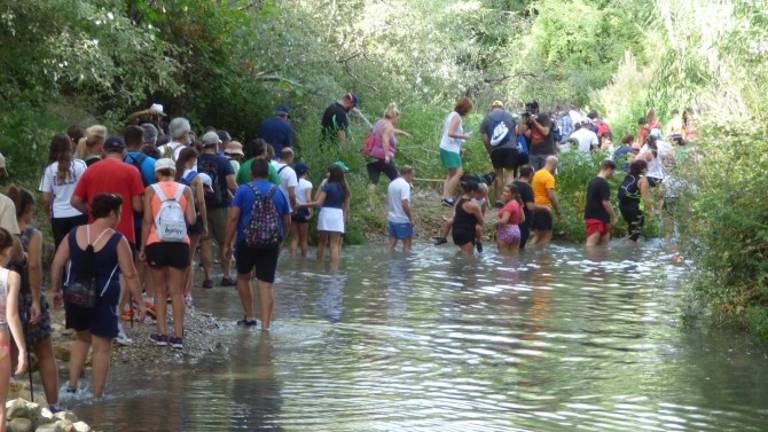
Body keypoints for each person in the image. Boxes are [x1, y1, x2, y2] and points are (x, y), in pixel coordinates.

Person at [51, 194, 145, 398]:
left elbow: (57, 263)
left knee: (81, 339)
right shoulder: (117, 239)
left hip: (75, 295)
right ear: (112, 213)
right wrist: (140, 303)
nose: (120, 216)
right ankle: (97, 396)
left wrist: (56, 290)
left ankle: (72, 387)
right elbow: (130, 274)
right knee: (102, 348)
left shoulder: (74, 233)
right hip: (103, 298)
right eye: (119, 212)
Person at [70, 136, 144, 345]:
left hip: (93, 233)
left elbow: (75, 201)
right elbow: (138, 206)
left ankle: (89, 323)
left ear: (104, 151)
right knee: (121, 276)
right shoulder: (131, 171)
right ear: (124, 152)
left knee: (94, 275)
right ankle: (115, 322)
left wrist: (91, 213)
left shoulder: (91, 170)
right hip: (123, 232)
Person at [5, 187, 59, 411]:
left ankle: (12, 401)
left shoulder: (3, 232)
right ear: (26, 210)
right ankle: (54, 404)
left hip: (5, 294)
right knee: (44, 352)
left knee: (10, 351)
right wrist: (36, 300)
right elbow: (34, 266)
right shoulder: (32, 234)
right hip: (26, 295)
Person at [223, 159, 291, 331]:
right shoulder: (279, 192)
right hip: (270, 243)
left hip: (246, 241)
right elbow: (287, 220)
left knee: (243, 278)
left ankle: (249, 317)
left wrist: (227, 243)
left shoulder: (243, 190)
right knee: (266, 283)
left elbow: (233, 218)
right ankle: (266, 327)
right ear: (269, 174)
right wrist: (281, 238)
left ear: (252, 173)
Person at [140, 159, 196, 349]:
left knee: (159, 291)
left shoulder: (151, 190)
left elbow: (147, 221)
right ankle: (178, 336)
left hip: (157, 242)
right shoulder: (186, 190)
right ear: (174, 171)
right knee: (177, 292)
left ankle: (163, 334)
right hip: (180, 244)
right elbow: (192, 219)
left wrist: (142, 247)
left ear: (157, 173)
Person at [197, 131, 237, 287]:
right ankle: (226, 276)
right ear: (217, 145)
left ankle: (208, 278)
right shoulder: (223, 162)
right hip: (221, 207)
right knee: (224, 243)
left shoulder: (197, 161)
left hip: (201, 205)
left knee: (205, 242)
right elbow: (232, 185)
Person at [40, 134, 88, 250]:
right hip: (79, 213)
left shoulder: (49, 169)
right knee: (79, 249)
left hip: (59, 215)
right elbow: (88, 189)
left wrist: (49, 215)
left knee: (62, 251)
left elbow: (46, 199)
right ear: (70, 147)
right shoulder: (80, 165)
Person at [0, 228, 27, 427]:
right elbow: (12, 315)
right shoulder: (11, 277)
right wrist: (23, 351)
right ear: (8, 250)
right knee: (0, 406)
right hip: (1, 340)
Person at [302, 164, 350, 266]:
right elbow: (346, 208)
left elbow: (318, 202)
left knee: (321, 244)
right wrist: (345, 221)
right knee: (334, 245)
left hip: (326, 214)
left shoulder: (327, 186)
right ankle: (334, 270)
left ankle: (318, 266)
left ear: (331, 174)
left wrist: (302, 205)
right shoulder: (345, 189)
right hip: (338, 215)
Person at [366, 103, 412, 205]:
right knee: (396, 179)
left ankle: (370, 204)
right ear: (394, 117)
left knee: (373, 180)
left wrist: (403, 133)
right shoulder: (389, 126)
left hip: (372, 156)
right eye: (397, 119)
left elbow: (390, 131)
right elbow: (385, 140)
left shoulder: (379, 122)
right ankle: (401, 201)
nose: (397, 121)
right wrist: (386, 155)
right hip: (383, 157)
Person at [176, 148, 207, 297]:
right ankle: (185, 292)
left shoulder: (174, 174)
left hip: (176, 218)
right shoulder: (196, 178)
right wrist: (205, 224)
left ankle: (172, 289)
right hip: (192, 218)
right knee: (189, 257)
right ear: (192, 159)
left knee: (175, 255)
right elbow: (201, 202)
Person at [480, 100, 518, 206]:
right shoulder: (509, 115)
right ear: (502, 107)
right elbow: (517, 131)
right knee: (510, 175)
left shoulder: (486, 118)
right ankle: (510, 200)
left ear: (492, 107)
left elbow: (484, 138)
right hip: (511, 148)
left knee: (498, 175)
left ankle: (498, 200)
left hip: (496, 150)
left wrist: (490, 150)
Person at [440, 97, 473, 207]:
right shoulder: (457, 117)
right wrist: (464, 136)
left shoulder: (452, 115)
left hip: (449, 147)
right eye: (468, 110)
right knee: (458, 173)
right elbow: (450, 133)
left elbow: (449, 134)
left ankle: (445, 197)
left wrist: (459, 147)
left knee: (451, 174)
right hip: (450, 149)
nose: (468, 113)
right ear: (464, 109)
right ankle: (447, 197)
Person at [618, 160, 655, 244]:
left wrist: (641, 210)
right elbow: (645, 198)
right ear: (643, 169)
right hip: (633, 208)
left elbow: (639, 198)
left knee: (631, 229)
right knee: (635, 234)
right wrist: (650, 212)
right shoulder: (643, 180)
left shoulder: (629, 176)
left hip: (623, 206)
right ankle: (630, 254)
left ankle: (628, 245)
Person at [584, 160, 618, 247]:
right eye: (613, 172)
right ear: (609, 169)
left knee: (604, 245)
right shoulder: (603, 183)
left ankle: (602, 260)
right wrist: (614, 216)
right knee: (591, 246)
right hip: (595, 219)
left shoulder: (593, 181)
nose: (612, 174)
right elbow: (606, 202)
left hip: (600, 218)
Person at [530, 156, 561, 246]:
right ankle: (543, 258)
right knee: (547, 235)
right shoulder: (549, 177)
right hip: (544, 208)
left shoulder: (536, 174)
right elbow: (550, 195)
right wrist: (557, 210)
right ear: (554, 165)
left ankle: (529, 254)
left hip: (535, 207)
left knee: (537, 235)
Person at [451, 181, 485, 257]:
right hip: (466, 233)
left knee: (462, 254)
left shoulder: (460, 201)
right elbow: (481, 222)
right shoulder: (473, 206)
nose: (477, 194)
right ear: (472, 191)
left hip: (456, 232)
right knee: (468, 258)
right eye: (477, 192)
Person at [386, 165, 415, 252]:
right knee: (407, 247)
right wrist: (411, 218)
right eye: (412, 175)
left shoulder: (392, 183)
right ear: (408, 173)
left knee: (391, 244)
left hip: (392, 219)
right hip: (402, 220)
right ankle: (406, 265)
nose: (413, 178)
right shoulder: (405, 185)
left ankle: (388, 263)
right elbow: (404, 203)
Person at [521, 101, 555, 170]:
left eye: (530, 109)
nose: (529, 111)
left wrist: (534, 121)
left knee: (545, 175)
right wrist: (523, 120)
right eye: (527, 110)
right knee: (532, 176)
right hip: (533, 153)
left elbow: (545, 132)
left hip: (546, 152)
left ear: (536, 109)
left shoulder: (543, 117)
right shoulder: (529, 120)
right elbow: (522, 131)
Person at [513, 165, 538, 250]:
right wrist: (545, 208)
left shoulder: (513, 184)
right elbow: (530, 207)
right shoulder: (527, 188)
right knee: (520, 248)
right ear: (531, 174)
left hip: (512, 220)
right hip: (523, 221)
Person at [290, 163, 313, 258]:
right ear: (305, 172)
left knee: (295, 238)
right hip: (303, 210)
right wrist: (311, 210)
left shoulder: (292, 183)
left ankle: (292, 257)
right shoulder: (308, 184)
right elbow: (308, 199)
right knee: (304, 239)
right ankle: (303, 260)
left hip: (293, 210)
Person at [496, 183, 525, 254]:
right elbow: (523, 219)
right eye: (504, 191)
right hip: (516, 231)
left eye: (507, 192)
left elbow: (503, 221)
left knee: (503, 257)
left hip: (505, 231)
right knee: (514, 257)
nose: (504, 193)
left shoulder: (509, 205)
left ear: (513, 194)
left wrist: (495, 221)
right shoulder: (517, 203)